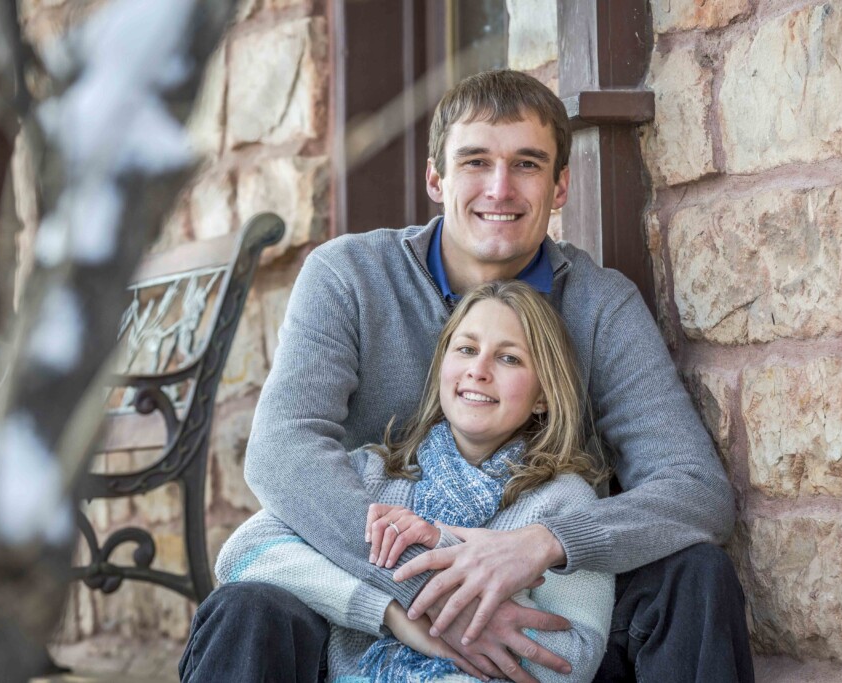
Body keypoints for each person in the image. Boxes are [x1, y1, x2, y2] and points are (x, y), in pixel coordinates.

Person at [180, 69, 753, 683]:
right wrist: (427, 594)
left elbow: (694, 488)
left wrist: (542, 543)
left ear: (560, 186)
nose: (500, 188)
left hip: (541, 604)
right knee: (246, 610)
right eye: (475, 162)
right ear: (436, 178)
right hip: (361, 597)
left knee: (696, 574)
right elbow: (282, 452)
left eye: (528, 165)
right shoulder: (349, 275)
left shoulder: (600, 304)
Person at [212, 281, 615, 682]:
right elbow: (243, 553)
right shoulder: (373, 473)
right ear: (444, 366)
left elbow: (572, 662)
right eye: (467, 349)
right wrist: (392, 611)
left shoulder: (564, 503)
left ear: (543, 395)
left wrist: (445, 553)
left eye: (509, 358)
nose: (478, 369)